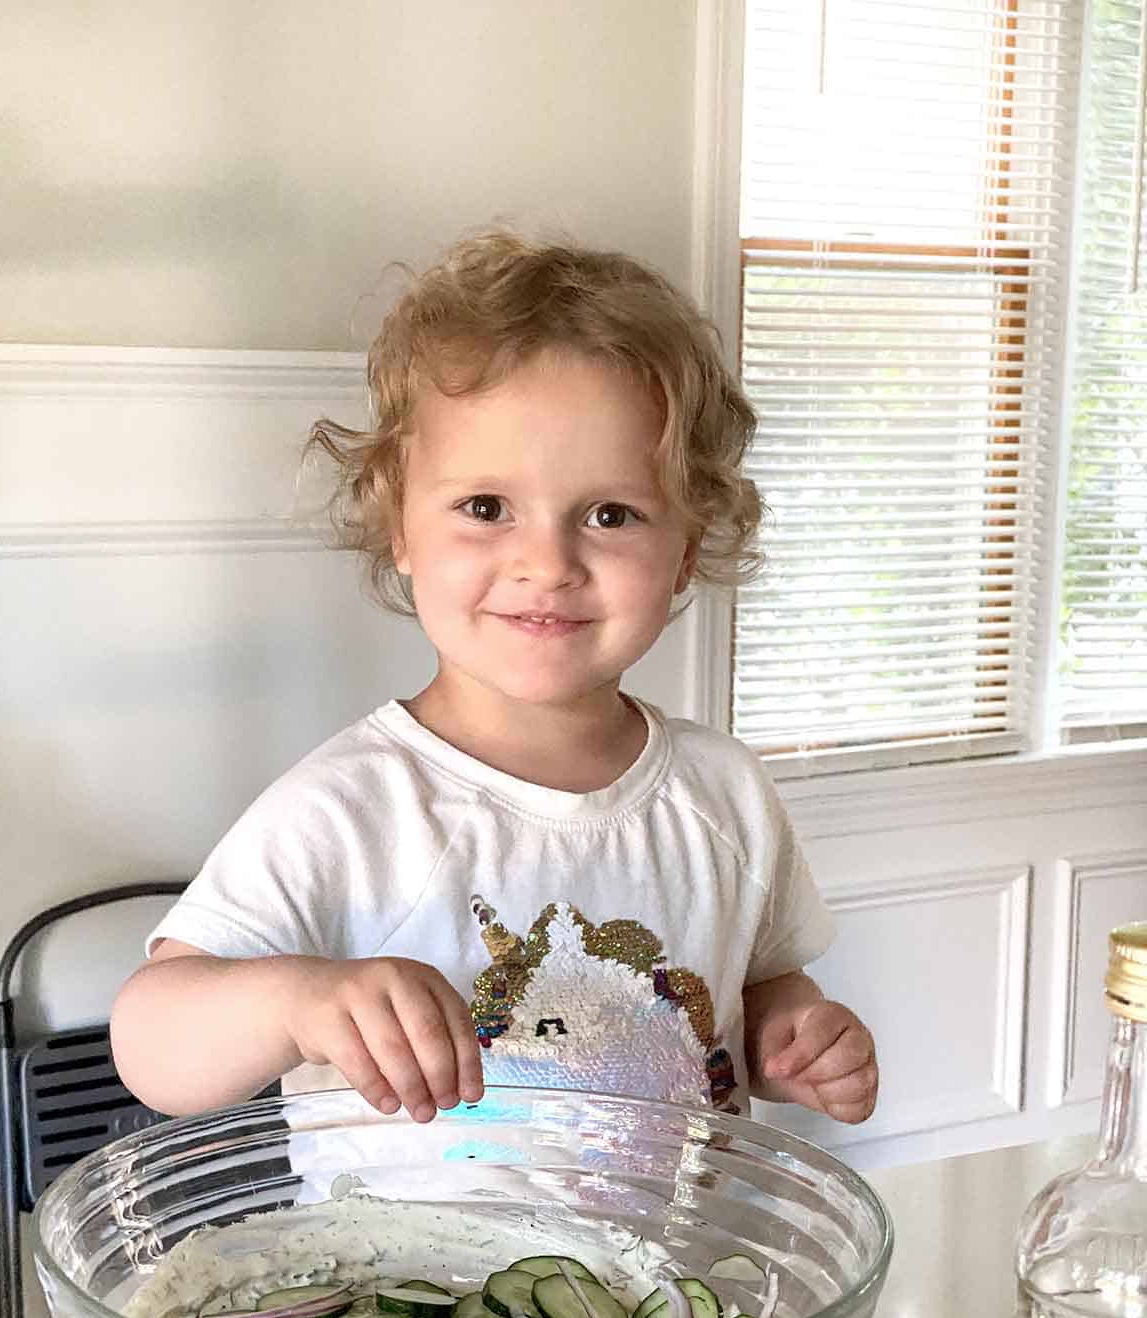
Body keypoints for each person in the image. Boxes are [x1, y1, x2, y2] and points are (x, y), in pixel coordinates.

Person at [111, 230, 879, 1130]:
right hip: (404, 1271)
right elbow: (152, 1043)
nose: (545, 563)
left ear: (686, 551)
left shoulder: (726, 795)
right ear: (400, 525)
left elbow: (758, 983)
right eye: (486, 508)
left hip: (675, 1270)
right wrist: (298, 1001)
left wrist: (796, 1035)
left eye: (610, 513)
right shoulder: (348, 812)